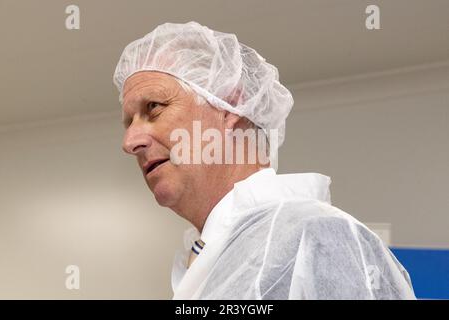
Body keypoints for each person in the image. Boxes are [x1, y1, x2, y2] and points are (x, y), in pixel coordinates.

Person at [113, 21, 416, 299]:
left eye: (153, 107)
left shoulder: (318, 236)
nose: (130, 142)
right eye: (129, 122)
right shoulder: (206, 257)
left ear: (229, 104)